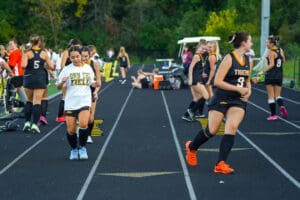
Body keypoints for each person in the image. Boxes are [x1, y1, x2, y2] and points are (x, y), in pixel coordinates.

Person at [185, 32, 253, 174]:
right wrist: (237, 89)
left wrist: (248, 91)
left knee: (232, 127)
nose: (251, 44)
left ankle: (220, 163)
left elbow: (247, 80)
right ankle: (192, 147)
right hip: (222, 97)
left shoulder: (249, 60)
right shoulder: (229, 58)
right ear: (243, 43)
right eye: (250, 41)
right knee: (212, 130)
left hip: (237, 100)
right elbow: (217, 82)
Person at [56, 45, 96, 160]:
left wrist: (95, 85)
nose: (76, 59)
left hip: (84, 100)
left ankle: (83, 148)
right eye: (72, 57)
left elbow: (91, 83)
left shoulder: (88, 68)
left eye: (77, 56)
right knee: (71, 130)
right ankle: (74, 149)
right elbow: (58, 87)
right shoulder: (67, 69)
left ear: (81, 55)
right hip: (70, 102)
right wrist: (61, 83)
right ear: (70, 58)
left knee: (83, 124)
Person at [21, 34, 54, 133]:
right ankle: (35, 124)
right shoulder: (44, 53)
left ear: (30, 42)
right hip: (40, 78)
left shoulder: (27, 53)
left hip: (29, 78)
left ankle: (27, 122)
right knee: (37, 102)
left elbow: (23, 65)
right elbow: (52, 67)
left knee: (29, 100)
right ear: (39, 42)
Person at [181, 43, 209, 122]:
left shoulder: (200, 56)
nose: (204, 50)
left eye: (204, 49)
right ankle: (191, 111)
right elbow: (190, 68)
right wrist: (190, 79)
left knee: (197, 98)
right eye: (202, 49)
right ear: (198, 48)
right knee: (206, 96)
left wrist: (202, 73)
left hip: (197, 78)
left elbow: (197, 68)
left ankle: (186, 115)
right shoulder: (196, 56)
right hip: (196, 79)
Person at [56, 39, 82, 123]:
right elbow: (62, 65)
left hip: (74, 74)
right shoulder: (67, 52)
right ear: (73, 45)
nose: (79, 48)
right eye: (78, 46)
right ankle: (60, 116)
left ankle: (72, 115)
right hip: (66, 75)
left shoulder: (76, 52)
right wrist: (66, 74)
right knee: (65, 96)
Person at [262, 35, 287, 120]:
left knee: (271, 96)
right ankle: (282, 106)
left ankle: (273, 115)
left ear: (272, 44)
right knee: (278, 95)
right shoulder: (280, 50)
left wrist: (263, 71)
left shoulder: (271, 52)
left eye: (267, 43)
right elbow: (283, 60)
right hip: (279, 75)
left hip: (270, 75)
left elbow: (272, 64)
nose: (266, 44)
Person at [81, 46, 101, 144]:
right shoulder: (77, 65)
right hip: (79, 93)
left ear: (90, 56)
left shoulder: (94, 65)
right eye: (82, 56)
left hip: (91, 92)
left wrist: (96, 91)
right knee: (81, 116)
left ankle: (88, 135)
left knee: (90, 117)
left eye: (86, 56)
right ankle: (80, 130)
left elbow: (99, 82)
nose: (84, 58)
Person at [196, 41, 218, 117]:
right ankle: (199, 111)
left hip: (208, 78)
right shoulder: (209, 55)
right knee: (206, 95)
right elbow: (206, 67)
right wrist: (203, 72)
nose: (208, 48)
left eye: (210, 47)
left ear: (214, 48)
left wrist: (209, 80)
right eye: (208, 47)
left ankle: (213, 112)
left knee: (209, 95)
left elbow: (212, 70)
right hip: (206, 77)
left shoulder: (212, 56)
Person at [7, 39, 27, 113]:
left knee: (13, 89)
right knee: (20, 90)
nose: (10, 46)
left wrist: (7, 72)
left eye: (11, 44)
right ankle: (27, 105)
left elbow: (11, 65)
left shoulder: (15, 52)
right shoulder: (17, 51)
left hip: (16, 74)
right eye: (9, 44)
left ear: (16, 44)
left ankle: (11, 107)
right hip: (19, 74)